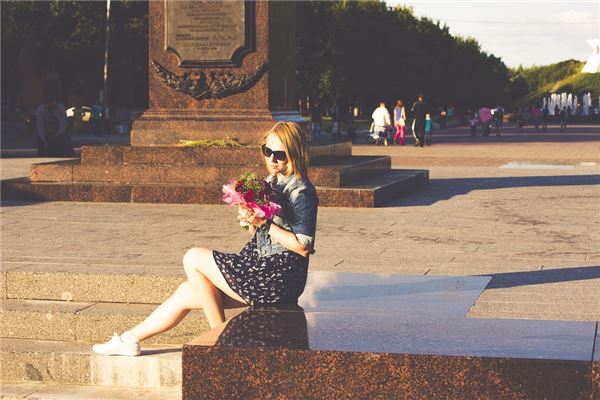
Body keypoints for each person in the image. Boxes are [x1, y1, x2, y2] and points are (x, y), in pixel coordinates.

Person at [92, 122, 319, 356]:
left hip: (278, 278)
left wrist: (264, 223)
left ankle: (221, 341)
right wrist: (251, 220)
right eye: (267, 151)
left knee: (193, 257)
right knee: (186, 291)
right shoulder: (272, 181)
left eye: (279, 154)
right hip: (262, 267)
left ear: (294, 153)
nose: (271, 158)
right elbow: (262, 236)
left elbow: (303, 246)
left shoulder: (301, 191)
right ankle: (130, 339)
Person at [35, 79, 73, 157]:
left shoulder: (41, 109)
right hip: (55, 139)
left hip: (52, 139)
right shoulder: (60, 109)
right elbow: (63, 126)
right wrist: (53, 139)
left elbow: (40, 128)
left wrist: (46, 140)